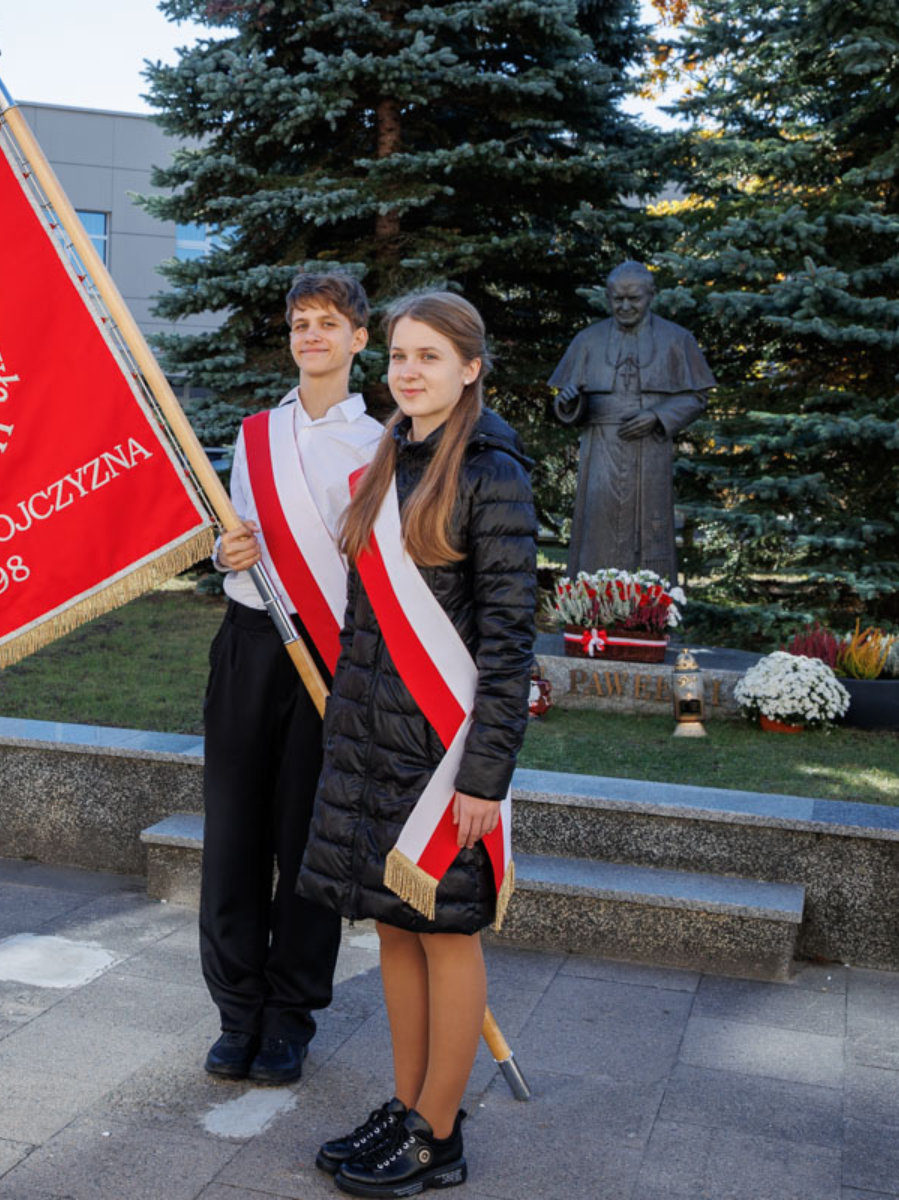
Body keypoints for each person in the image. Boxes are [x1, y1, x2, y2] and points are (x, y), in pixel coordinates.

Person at [298, 292, 536, 1196]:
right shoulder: (391, 457)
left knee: (447, 934)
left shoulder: (493, 472)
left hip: (444, 753)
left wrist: (485, 776)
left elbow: (511, 645)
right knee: (396, 928)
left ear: (471, 368)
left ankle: (440, 1132)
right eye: (399, 354)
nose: (409, 370)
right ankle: (406, 1106)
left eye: (431, 357)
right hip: (373, 741)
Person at [201, 272, 385, 1085]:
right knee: (234, 832)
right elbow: (230, 536)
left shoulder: (382, 443)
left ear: (359, 340)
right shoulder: (254, 435)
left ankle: (289, 1016)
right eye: (301, 324)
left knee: (307, 838)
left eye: (329, 324)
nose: (313, 336)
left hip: (329, 651)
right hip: (249, 646)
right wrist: (221, 553)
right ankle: (236, 1010)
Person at [548, 260, 715, 580]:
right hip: (601, 448)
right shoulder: (587, 341)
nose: (624, 306)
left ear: (651, 295)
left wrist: (657, 416)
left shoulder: (677, 339)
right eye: (617, 299)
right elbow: (566, 406)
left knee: (650, 530)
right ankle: (591, 610)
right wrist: (569, 403)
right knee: (597, 526)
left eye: (633, 299)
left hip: (651, 447)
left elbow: (697, 397)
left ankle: (649, 615)